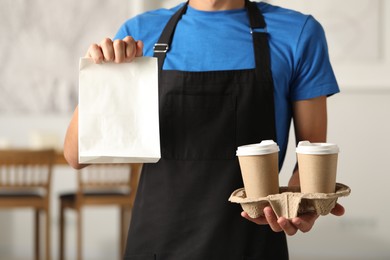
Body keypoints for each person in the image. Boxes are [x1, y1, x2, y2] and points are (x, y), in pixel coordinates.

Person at [64, 0, 345, 259]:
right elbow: (75, 156)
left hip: (251, 245)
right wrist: (101, 75)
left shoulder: (298, 34)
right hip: (156, 246)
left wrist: (299, 206)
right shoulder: (140, 34)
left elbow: (311, 157)